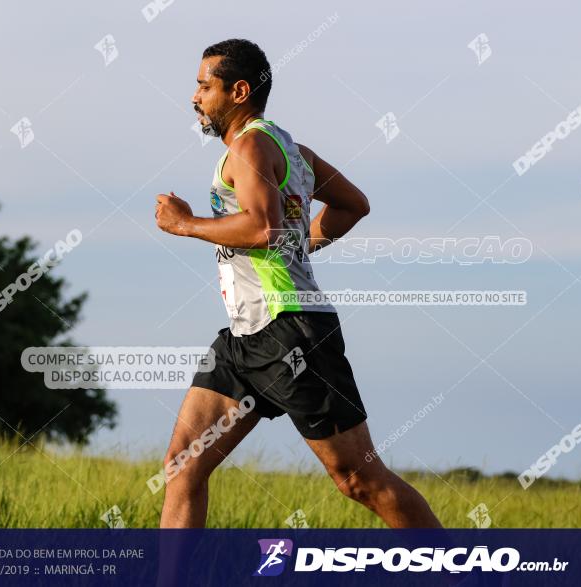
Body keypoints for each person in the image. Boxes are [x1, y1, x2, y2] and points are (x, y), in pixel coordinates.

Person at [154, 38, 441, 529]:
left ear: (238, 91)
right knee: (183, 465)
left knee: (359, 480)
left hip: (291, 331)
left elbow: (260, 227)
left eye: (204, 86)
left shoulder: (249, 146)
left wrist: (186, 224)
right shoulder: (291, 148)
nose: (194, 97)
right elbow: (353, 205)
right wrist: (297, 246)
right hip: (248, 335)